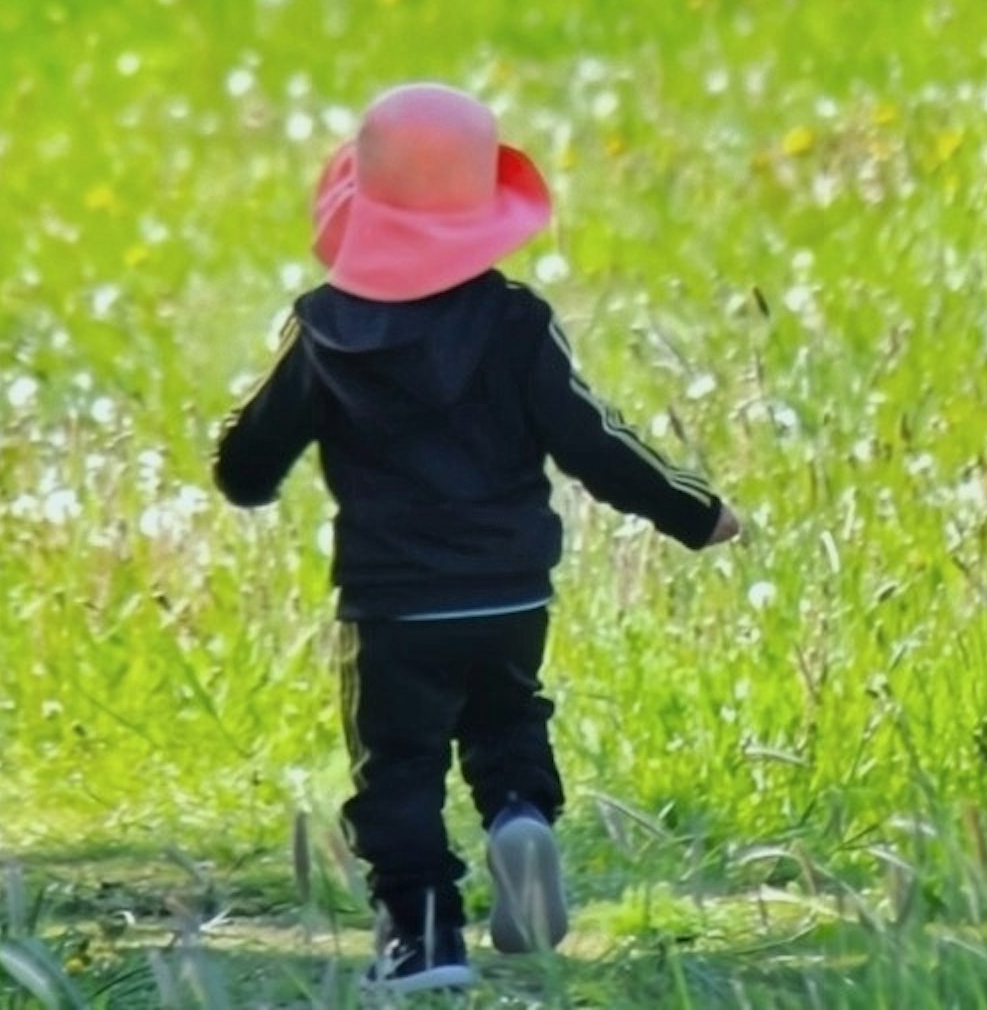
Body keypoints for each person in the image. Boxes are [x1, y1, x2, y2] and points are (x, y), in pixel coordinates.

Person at [211, 83, 742, 995]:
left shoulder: (325, 330)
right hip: (508, 589)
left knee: (399, 768)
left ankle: (423, 940)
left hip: (391, 602)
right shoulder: (516, 323)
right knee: (507, 716)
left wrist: (242, 476)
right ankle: (519, 815)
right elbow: (593, 444)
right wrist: (695, 511)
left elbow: (253, 454)